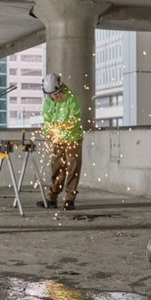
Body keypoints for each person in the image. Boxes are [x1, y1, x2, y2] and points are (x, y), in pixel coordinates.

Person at [36, 73, 84, 211]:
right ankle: (52, 198)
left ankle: (70, 199)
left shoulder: (72, 99)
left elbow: (73, 121)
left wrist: (58, 128)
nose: (55, 97)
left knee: (73, 169)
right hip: (58, 140)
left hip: (73, 139)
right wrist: (50, 134)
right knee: (57, 168)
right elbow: (47, 122)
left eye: (56, 93)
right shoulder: (48, 102)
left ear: (60, 88)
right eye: (51, 95)